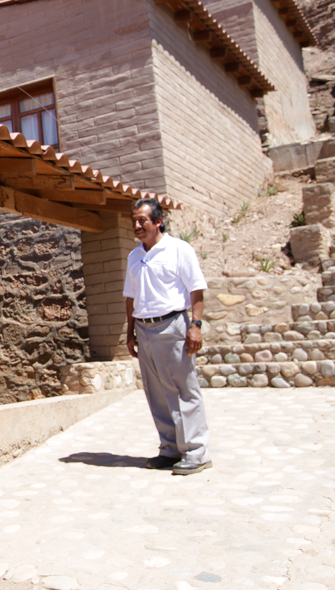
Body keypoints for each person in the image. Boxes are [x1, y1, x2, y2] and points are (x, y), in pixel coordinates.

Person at [124, 198, 211, 475]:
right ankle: (170, 449)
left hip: (172, 326)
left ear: (158, 221)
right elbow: (131, 296)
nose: (137, 225)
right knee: (157, 392)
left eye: (142, 220)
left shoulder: (179, 249)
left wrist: (195, 325)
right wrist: (130, 330)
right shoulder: (134, 256)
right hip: (144, 329)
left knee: (183, 389)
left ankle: (195, 452)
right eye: (134, 220)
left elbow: (196, 289)